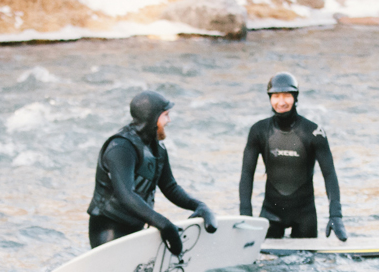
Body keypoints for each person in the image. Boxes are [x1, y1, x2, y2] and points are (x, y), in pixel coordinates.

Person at [87, 90, 218, 253]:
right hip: (109, 230)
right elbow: (126, 195)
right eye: (166, 115)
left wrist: (199, 206)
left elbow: (170, 187)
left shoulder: (157, 147)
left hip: (136, 227)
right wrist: (163, 223)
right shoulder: (121, 148)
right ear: (152, 118)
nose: (169, 120)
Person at [239, 72, 346, 241]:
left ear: (295, 97)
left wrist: (336, 215)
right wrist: (245, 216)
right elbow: (247, 174)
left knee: (306, 259)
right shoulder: (259, 131)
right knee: (265, 259)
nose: (281, 102)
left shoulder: (313, 132)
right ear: (269, 98)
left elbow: (329, 174)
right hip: (270, 213)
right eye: (276, 96)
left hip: (305, 216)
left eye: (287, 96)